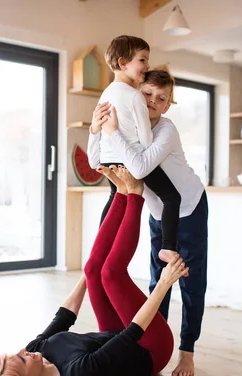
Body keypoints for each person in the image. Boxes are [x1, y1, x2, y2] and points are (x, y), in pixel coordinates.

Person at [0, 167, 189, 376]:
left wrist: (89, 275)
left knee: (94, 270)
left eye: (17, 354)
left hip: (112, 334)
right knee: (111, 274)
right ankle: (136, 192)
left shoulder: (34, 352)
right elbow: (131, 334)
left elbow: (64, 316)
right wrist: (164, 282)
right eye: (22, 359)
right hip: (149, 349)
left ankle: (121, 192)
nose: (23, 351)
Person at [89, 70, 208, 376]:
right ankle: (153, 342)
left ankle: (186, 352)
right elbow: (104, 167)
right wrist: (95, 129)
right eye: (147, 94)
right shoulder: (130, 130)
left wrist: (112, 133)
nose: (154, 102)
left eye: (162, 98)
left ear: (168, 105)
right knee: (158, 284)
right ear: (135, 97)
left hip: (190, 208)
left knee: (191, 284)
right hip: (160, 214)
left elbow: (140, 167)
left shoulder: (166, 131)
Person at [90, 35, 181, 264]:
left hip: (109, 160)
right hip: (130, 161)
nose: (147, 65)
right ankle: (168, 247)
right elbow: (146, 138)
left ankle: (102, 241)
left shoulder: (106, 93)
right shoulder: (133, 97)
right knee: (171, 196)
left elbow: (100, 130)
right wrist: (146, 144)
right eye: (143, 59)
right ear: (123, 63)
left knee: (114, 198)